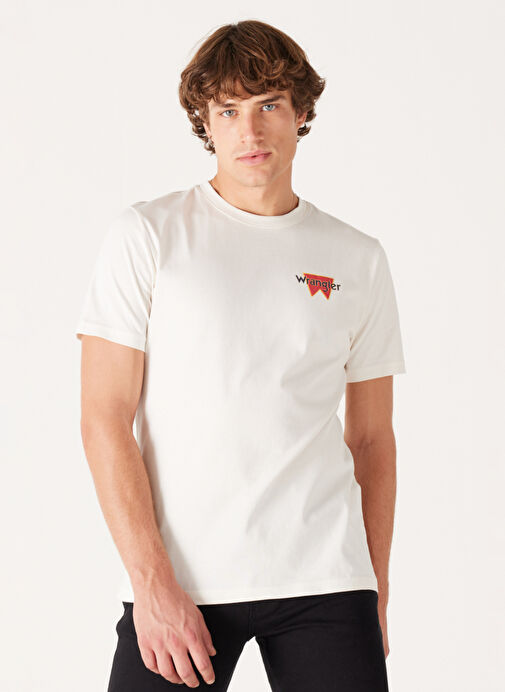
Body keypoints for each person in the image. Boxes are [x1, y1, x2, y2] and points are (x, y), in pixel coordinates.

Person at [76, 19, 406, 692]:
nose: (249, 132)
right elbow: (104, 416)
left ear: (301, 111)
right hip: (182, 581)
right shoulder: (149, 235)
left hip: (325, 580)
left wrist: (374, 585)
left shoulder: (356, 258)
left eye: (269, 105)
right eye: (228, 110)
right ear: (205, 120)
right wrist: (151, 584)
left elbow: (372, 439)